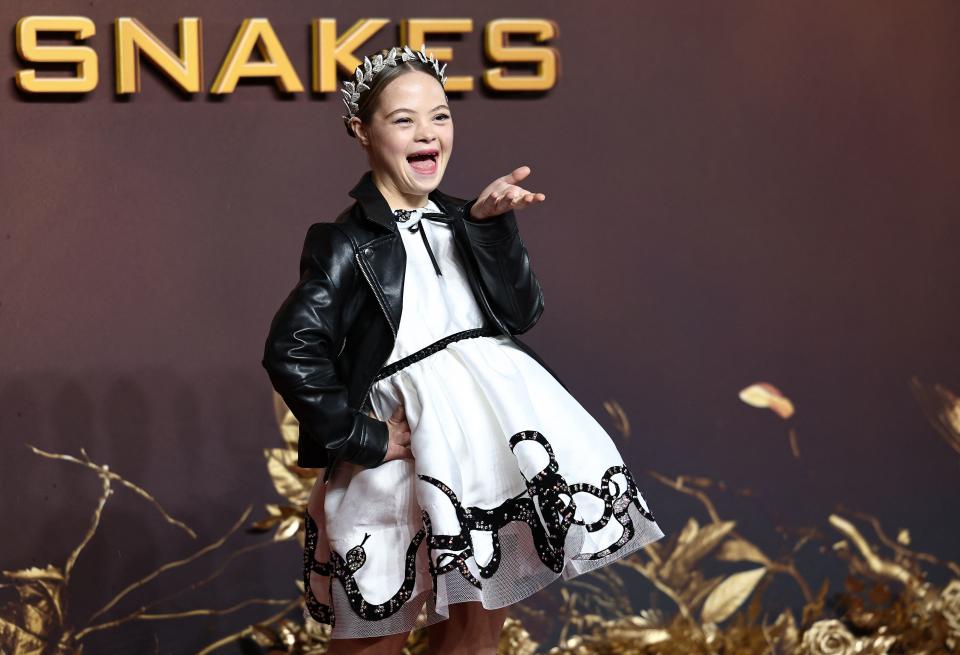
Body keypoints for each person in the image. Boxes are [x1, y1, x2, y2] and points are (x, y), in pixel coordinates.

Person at [261, 44, 666, 655]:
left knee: (476, 633)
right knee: (376, 628)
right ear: (361, 131)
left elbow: (520, 313)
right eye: (404, 119)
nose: (428, 133)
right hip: (402, 467)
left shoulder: (468, 218)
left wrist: (493, 227)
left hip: (484, 457)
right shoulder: (343, 242)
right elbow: (292, 347)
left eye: (441, 115)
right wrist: (362, 437)